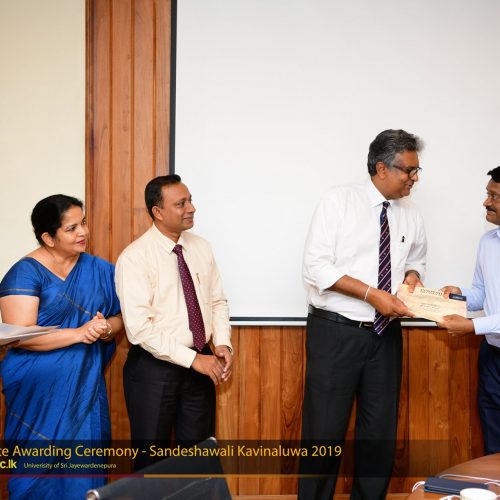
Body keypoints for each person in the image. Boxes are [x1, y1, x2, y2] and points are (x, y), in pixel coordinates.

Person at [299, 129, 427, 500]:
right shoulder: (338, 201)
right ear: (382, 168)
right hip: (336, 333)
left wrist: (412, 278)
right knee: (323, 434)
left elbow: (416, 260)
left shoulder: (411, 213)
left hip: (386, 335)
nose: (414, 179)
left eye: (417, 170)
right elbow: (316, 267)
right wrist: (372, 295)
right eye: (408, 171)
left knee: (379, 436)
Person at [0, 194, 123, 499]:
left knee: (84, 464)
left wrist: (105, 329)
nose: (83, 232)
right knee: (35, 474)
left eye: (83, 223)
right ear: (48, 237)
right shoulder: (25, 273)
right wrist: (79, 333)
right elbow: (20, 336)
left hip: (85, 385)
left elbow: (120, 317)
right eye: (71, 228)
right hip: (37, 389)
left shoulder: (100, 270)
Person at [115, 174, 232, 469]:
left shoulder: (202, 247)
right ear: (157, 211)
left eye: (190, 200)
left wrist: (222, 343)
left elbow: (217, 301)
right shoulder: (135, 257)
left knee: (199, 458)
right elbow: (139, 329)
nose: (191, 208)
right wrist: (194, 360)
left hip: (201, 365)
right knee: (150, 460)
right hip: (153, 369)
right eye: (181, 204)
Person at [438, 166, 500, 455]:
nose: (486, 202)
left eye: (494, 196)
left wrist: (472, 327)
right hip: (492, 356)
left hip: (484, 338)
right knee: (493, 445)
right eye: (488, 194)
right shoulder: (488, 242)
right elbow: (481, 293)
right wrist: (456, 297)